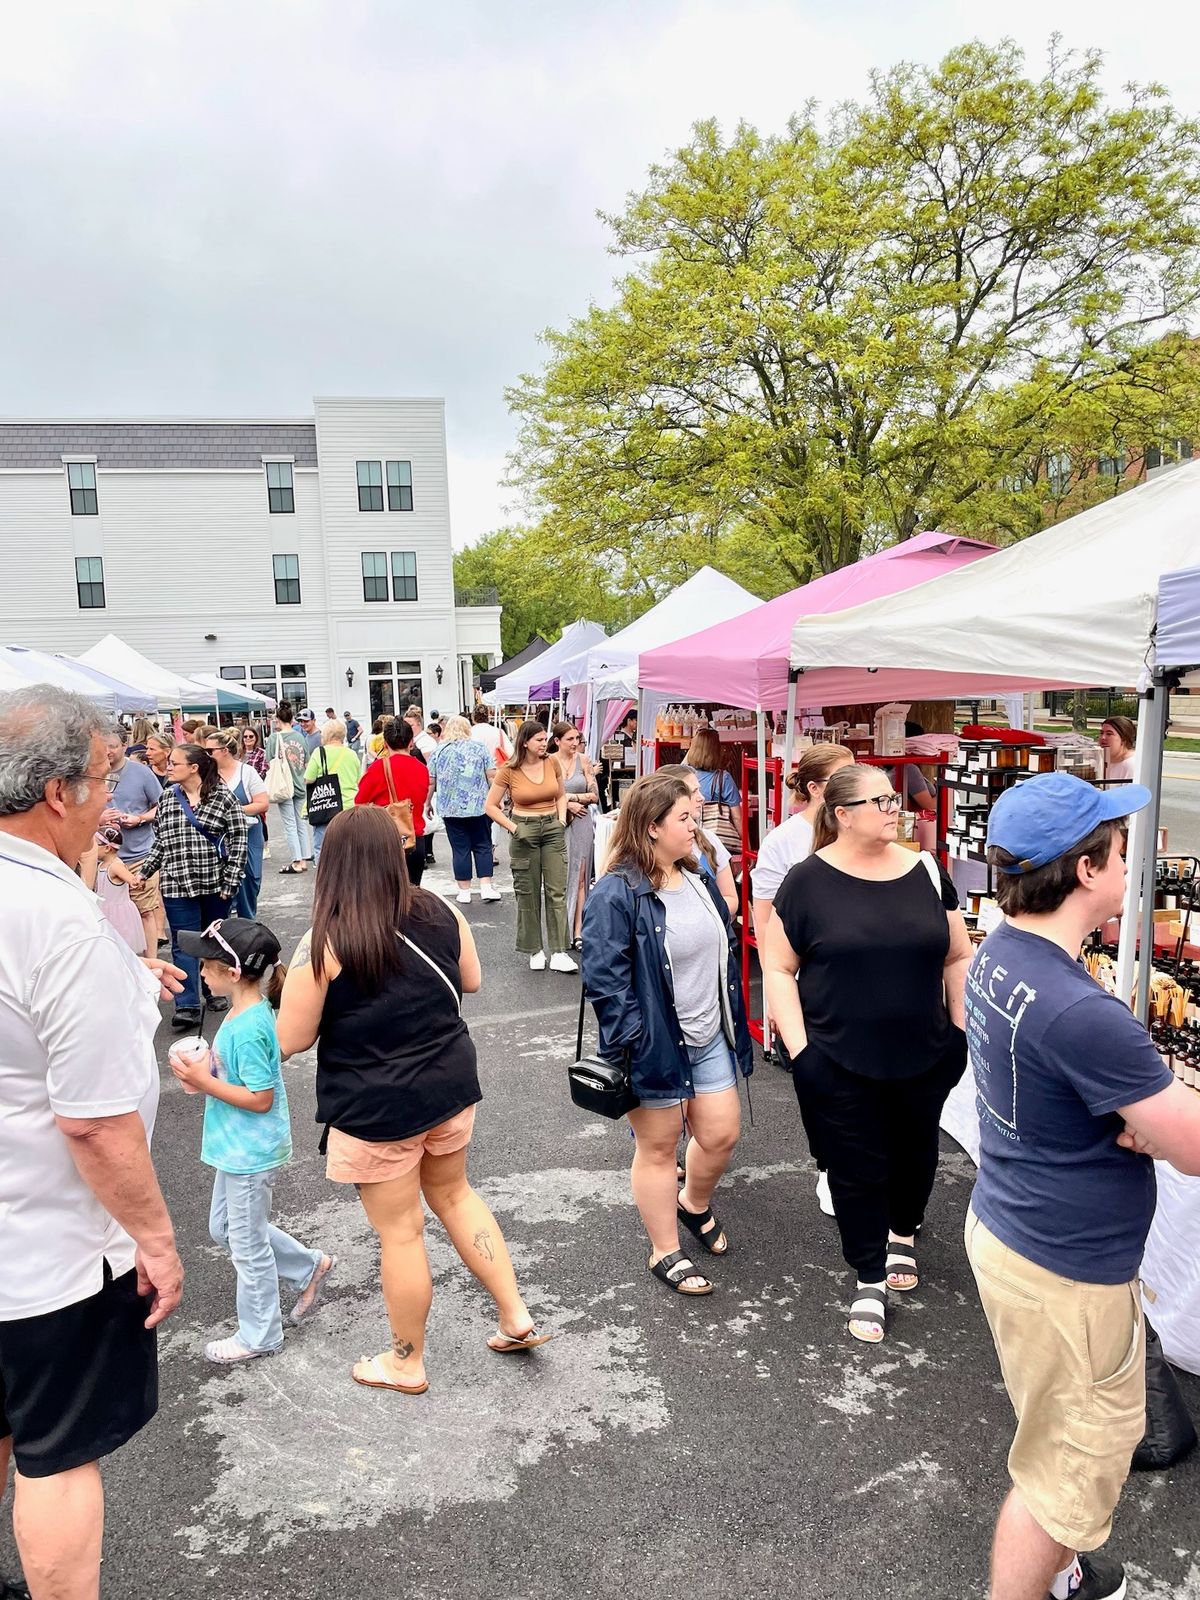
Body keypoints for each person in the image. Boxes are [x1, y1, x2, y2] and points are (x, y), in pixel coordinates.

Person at [964, 773, 1200, 1600]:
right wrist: (1157, 1105)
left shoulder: (1005, 951)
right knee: (1064, 1476)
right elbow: (1196, 1147)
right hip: (1065, 1270)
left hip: (1013, 1228)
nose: (1132, 856)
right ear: (1089, 869)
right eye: (1119, 843)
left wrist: (1139, 1101)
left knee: (1050, 1425)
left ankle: (1061, 1576)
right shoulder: (1079, 1010)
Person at [0, 684, 184, 1599]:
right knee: (57, 1453)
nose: (111, 801)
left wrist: (124, 973)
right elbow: (96, 1123)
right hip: (49, 1248)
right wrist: (154, 1237)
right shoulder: (57, 916)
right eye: (104, 780)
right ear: (55, 794)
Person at [275, 807, 550, 1393]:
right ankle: (515, 1314)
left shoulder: (325, 941)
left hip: (376, 1105)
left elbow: (292, 1039)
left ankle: (406, 1360)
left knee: (401, 1232)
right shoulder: (440, 909)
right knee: (455, 1194)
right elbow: (470, 980)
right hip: (449, 1084)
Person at [762, 763, 972, 1343]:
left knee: (915, 1154)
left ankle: (904, 1231)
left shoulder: (927, 869)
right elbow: (778, 966)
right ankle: (869, 1276)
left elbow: (957, 954)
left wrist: (959, 1028)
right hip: (838, 1055)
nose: (894, 808)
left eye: (893, 799)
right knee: (855, 1168)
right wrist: (802, 1052)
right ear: (843, 814)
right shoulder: (806, 881)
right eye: (880, 801)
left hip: (926, 1051)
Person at [582, 772, 753, 1296]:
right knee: (658, 1149)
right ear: (652, 827)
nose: (695, 824)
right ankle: (665, 1249)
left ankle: (693, 1203)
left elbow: (722, 947)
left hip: (709, 1035)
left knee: (721, 1134)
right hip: (653, 1043)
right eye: (684, 817)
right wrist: (635, 1039)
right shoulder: (617, 891)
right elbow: (604, 978)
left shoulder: (696, 876)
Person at [169, 917, 335, 1365]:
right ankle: (308, 1266)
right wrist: (204, 1073)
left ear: (233, 972)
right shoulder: (245, 1015)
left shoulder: (249, 1027)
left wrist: (203, 1081)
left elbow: (260, 1099)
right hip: (236, 1147)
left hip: (248, 1151)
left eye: (207, 964)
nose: (200, 972)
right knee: (225, 1229)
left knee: (246, 1247)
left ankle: (260, 1333)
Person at [136, 744, 249, 1031]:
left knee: (214, 941)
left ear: (194, 767)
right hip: (177, 884)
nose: (169, 767)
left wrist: (231, 880)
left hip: (214, 883)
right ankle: (187, 1004)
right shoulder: (167, 798)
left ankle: (214, 989)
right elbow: (161, 842)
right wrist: (145, 872)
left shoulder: (223, 797)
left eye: (175, 763)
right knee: (183, 943)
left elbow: (238, 839)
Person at [484, 720, 576, 973]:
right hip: (524, 829)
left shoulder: (552, 762)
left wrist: (559, 820)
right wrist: (514, 828)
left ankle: (558, 950)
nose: (544, 743)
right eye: (539, 739)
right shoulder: (509, 770)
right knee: (528, 892)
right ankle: (535, 949)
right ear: (525, 742)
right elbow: (490, 805)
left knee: (556, 890)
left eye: (545, 739)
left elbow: (560, 795)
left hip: (552, 828)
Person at [100, 722, 165, 954]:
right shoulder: (92, 772)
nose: (108, 751)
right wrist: (100, 818)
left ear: (124, 745)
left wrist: (140, 819)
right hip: (103, 858)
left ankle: (151, 963)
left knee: (145, 910)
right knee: (109, 913)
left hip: (140, 853)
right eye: (103, 746)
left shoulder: (141, 772)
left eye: (113, 746)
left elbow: (162, 806)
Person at [427, 715, 500, 903]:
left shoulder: (439, 751)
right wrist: (496, 800)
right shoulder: (479, 748)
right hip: (479, 806)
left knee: (460, 849)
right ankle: (486, 887)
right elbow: (492, 775)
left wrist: (427, 803)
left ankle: (464, 891)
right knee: (483, 845)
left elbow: (431, 781)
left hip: (450, 808)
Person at [353, 715, 430, 886]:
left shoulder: (379, 768)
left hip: (385, 840)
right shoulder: (422, 769)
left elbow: (359, 802)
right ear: (411, 741)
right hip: (414, 839)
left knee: (385, 899)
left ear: (385, 743)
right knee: (412, 896)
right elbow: (421, 799)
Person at [659, 763, 738, 916]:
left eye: (699, 790)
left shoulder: (710, 841)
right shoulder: (654, 848)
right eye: (693, 791)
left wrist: (703, 917)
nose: (701, 798)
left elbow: (731, 899)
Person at [206, 729, 269, 919]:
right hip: (218, 835)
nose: (206, 755)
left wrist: (232, 811)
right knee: (221, 881)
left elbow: (263, 803)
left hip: (248, 832)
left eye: (210, 751)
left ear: (225, 750)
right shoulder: (207, 773)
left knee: (249, 879)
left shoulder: (246, 771)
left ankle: (248, 924)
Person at [551, 721, 599, 945]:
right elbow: (545, 795)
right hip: (558, 822)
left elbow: (594, 795)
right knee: (560, 877)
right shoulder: (549, 762)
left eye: (577, 738)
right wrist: (567, 803)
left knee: (580, 876)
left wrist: (572, 798)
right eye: (569, 739)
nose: (575, 742)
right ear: (557, 741)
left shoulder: (584, 761)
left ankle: (578, 930)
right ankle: (561, 929)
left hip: (582, 821)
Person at [303, 719, 361, 866]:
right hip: (349, 805)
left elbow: (308, 779)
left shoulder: (319, 752)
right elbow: (357, 779)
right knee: (349, 847)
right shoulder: (352, 754)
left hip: (326, 805)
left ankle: (326, 880)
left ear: (326, 735)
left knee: (323, 848)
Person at [266, 704, 312, 875]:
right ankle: (305, 857)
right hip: (300, 784)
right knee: (300, 822)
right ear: (292, 719)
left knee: (289, 825)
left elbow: (269, 761)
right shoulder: (300, 737)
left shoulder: (274, 738)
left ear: (278, 719)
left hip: (284, 784)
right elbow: (306, 761)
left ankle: (297, 860)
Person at [683, 727, 742, 853]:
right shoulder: (723, 778)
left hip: (687, 837)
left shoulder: (684, 774)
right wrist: (746, 844)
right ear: (716, 750)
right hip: (717, 842)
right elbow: (737, 817)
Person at [91, 824, 146, 953]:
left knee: (121, 945)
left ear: (107, 848)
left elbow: (132, 881)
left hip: (118, 914)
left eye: (95, 845)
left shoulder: (116, 866)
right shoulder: (101, 865)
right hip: (104, 909)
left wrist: (136, 882)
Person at [1098, 714, 1137, 783]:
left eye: (1109, 734)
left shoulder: (1132, 765)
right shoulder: (1099, 760)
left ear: (1124, 739)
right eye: (1101, 733)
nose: (1103, 737)